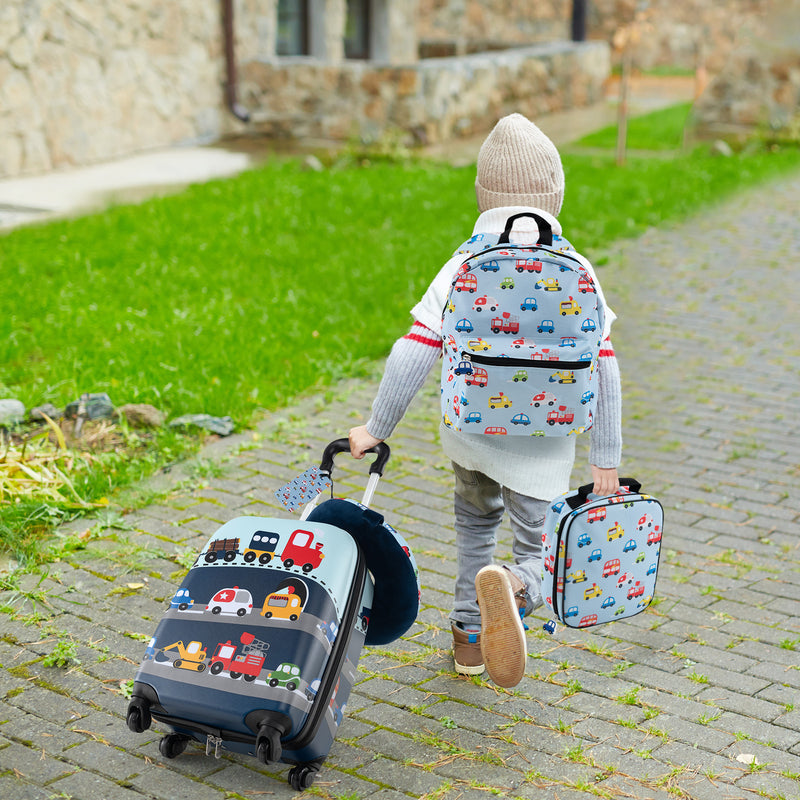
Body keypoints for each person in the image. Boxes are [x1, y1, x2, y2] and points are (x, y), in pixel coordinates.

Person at [349, 113, 622, 688]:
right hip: (542, 446)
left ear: (482, 195)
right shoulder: (579, 270)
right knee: (542, 549)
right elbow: (605, 365)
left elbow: (414, 350)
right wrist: (606, 459)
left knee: (474, 526)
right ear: (557, 195)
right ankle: (519, 585)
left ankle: (469, 642)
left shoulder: (462, 263)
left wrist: (376, 427)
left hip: (470, 434)